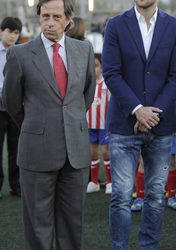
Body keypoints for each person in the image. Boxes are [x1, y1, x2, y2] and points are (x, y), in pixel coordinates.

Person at [2, 0, 96, 249]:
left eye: (56, 17)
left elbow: (85, 96)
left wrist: (68, 122)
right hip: (36, 151)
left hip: (75, 153)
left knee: (72, 225)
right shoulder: (19, 54)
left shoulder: (84, 50)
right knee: (38, 227)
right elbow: (12, 102)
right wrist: (38, 125)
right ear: (39, 18)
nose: (50, 23)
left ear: (68, 19)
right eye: (45, 16)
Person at [102, 0, 176, 248]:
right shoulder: (116, 24)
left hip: (161, 126)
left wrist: (153, 114)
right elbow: (111, 72)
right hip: (124, 123)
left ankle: (148, 247)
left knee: (155, 196)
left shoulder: (173, 27)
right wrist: (138, 110)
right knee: (120, 196)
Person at [0, 17, 22, 200]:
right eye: (9, 32)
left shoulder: (19, 52)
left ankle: (16, 185)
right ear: (1, 31)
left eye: (16, 33)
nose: (12, 36)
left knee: (16, 149)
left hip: (14, 109)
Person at [86, 53, 112, 194]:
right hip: (90, 125)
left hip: (104, 126)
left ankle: (110, 182)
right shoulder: (86, 83)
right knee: (93, 153)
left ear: (102, 68)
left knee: (106, 153)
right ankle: (94, 182)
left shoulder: (106, 84)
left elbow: (112, 104)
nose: (93, 68)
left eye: (95, 66)